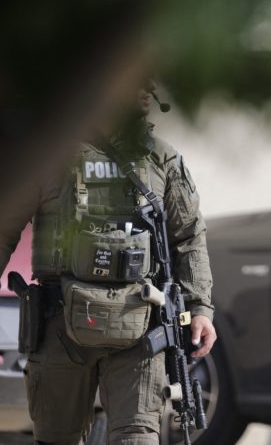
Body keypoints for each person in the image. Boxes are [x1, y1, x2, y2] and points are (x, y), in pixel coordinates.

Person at [0, 78, 216, 444]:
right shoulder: (49, 157)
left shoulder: (162, 158)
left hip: (140, 329)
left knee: (137, 438)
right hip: (60, 324)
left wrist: (200, 309)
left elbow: (188, 237)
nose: (145, 91)